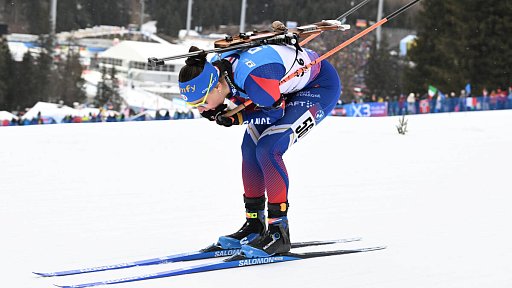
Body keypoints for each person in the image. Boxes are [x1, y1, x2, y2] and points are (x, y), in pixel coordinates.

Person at [178, 44, 341, 258]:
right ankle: (254, 225)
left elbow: (274, 114)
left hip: (317, 88)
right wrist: (221, 110)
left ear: (217, 87)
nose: (201, 110)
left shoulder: (252, 79)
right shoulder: (219, 71)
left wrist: (238, 118)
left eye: (202, 102)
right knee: (249, 148)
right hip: (279, 89)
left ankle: (278, 232)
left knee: (268, 148)